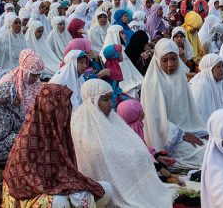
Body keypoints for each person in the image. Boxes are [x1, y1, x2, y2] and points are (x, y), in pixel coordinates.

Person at [2, 83, 110, 208]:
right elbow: (29, 184)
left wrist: (71, 187)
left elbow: (67, 172)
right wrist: (65, 188)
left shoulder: (59, 132)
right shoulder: (28, 140)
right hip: (30, 194)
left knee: (106, 190)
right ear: (51, 109)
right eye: (63, 106)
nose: (68, 109)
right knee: (59, 203)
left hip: (57, 185)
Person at [71, 79, 174, 208]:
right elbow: (95, 154)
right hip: (104, 185)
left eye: (110, 98)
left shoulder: (112, 119)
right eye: (105, 100)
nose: (110, 104)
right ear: (93, 101)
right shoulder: (81, 125)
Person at [140, 38, 207, 169]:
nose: (170, 64)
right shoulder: (151, 84)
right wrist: (181, 134)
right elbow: (156, 120)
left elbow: (189, 111)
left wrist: (193, 131)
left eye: (174, 59)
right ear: (158, 60)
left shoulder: (179, 76)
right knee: (205, 155)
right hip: (165, 138)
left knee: (215, 146)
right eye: (165, 60)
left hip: (186, 132)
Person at [189, 53, 223, 121]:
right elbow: (197, 115)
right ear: (209, 69)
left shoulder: (221, 83)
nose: (222, 69)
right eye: (218, 66)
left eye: (222, 66)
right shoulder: (201, 87)